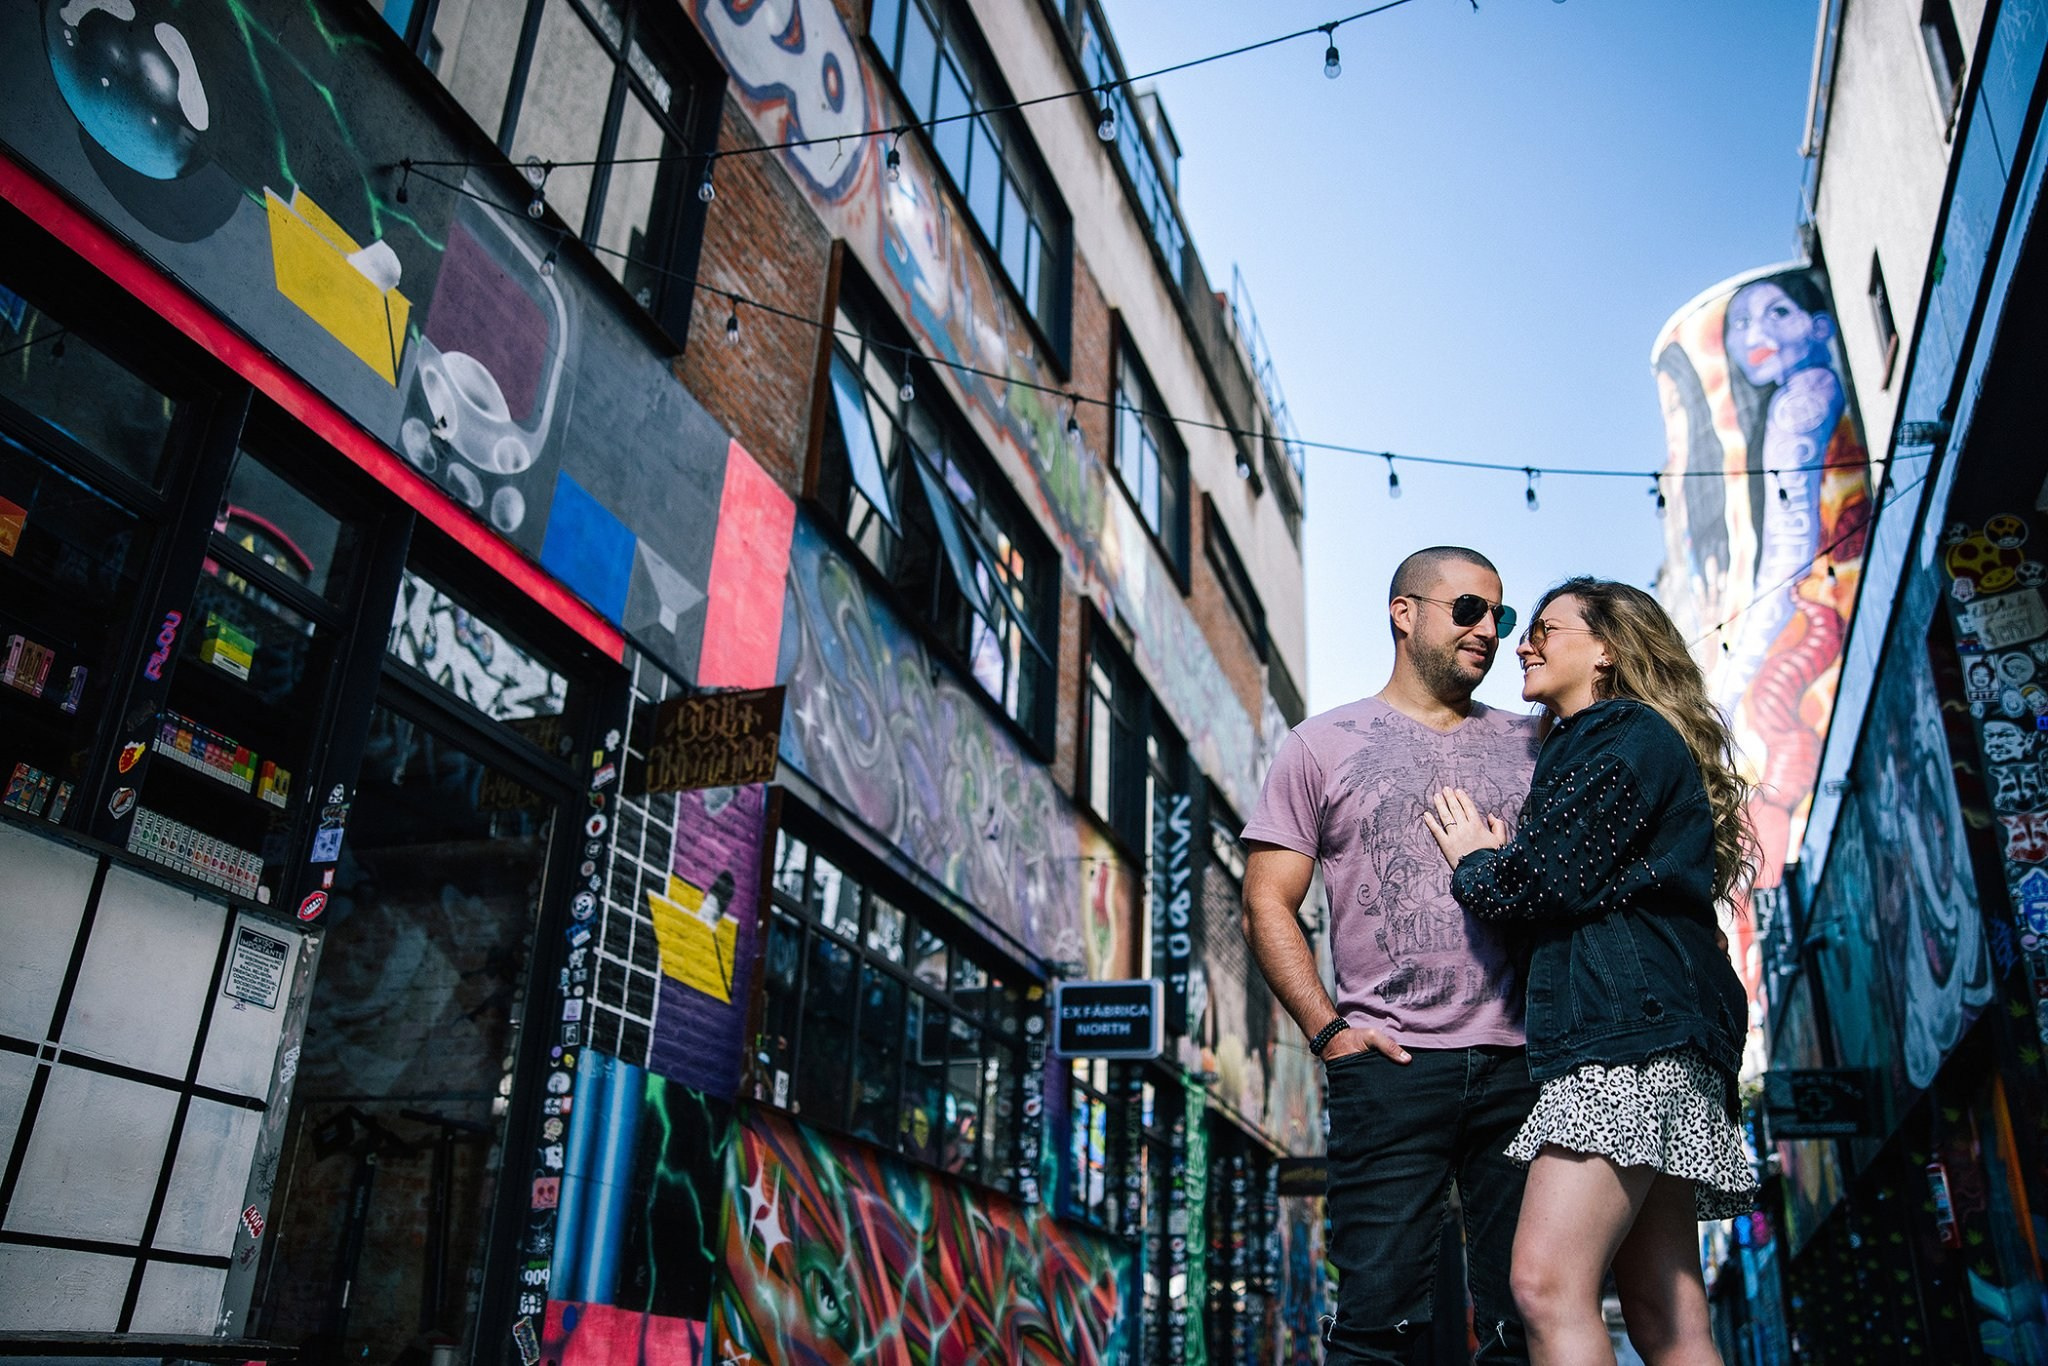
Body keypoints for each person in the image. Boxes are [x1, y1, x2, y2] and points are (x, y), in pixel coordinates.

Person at [1422, 578, 1759, 1366]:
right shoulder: (1628, 739)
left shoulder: (1620, 735)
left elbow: (1539, 884)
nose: (1524, 643)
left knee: (1544, 1287)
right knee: (1666, 1313)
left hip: (1624, 1040)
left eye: (1545, 629)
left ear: (1607, 649)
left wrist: (1477, 859)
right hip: (1662, 1035)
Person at [1242, 545, 1544, 1364]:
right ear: (1403, 614)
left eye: (1500, 615)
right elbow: (1266, 901)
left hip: (1525, 1066)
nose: (1489, 631)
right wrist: (1328, 1031)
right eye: (1468, 610)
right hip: (1391, 1063)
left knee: (1529, 1316)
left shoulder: (1537, 745)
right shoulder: (1321, 745)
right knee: (1377, 1320)